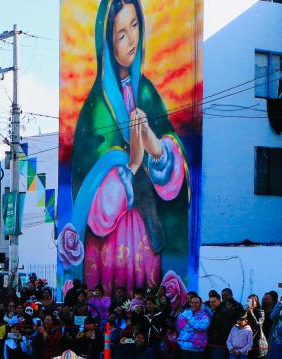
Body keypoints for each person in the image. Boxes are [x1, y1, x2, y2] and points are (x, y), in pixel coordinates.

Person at [69, 0, 191, 293]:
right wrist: (132, 164)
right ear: (107, 42)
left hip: (147, 231)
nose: (131, 39)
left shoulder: (146, 92)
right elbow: (89, 188)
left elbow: (174, 170)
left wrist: (157, 149)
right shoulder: (96, 106)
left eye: (135, 25)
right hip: (110, 237)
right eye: (121, 33)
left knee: (144, 287)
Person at [176, 292, 211, 359]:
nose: (194, 304)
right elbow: (181, 325)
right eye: (192, 302)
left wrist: (189, 323)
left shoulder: (205, 315)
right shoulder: (186, 313)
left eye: (196, 303)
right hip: (185, 345)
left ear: (200, 304)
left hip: (197, 347)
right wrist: (193, 325)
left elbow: (202, 327)